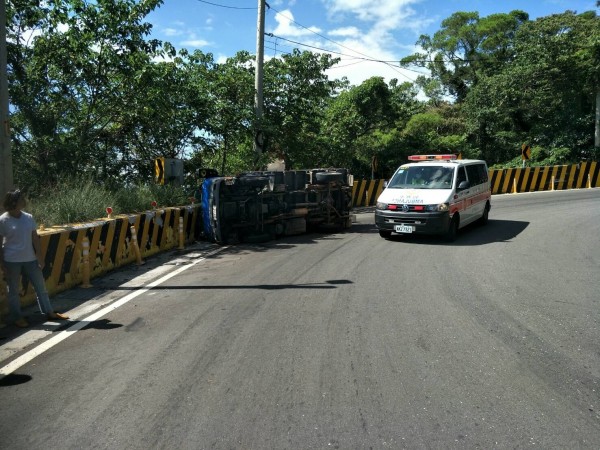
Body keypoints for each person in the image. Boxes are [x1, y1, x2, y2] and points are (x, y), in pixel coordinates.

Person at [0, 189, 69, 328]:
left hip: (30, 258)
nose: (24, 201)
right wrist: (2, 264)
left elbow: (35, 239)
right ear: (14, 202)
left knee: (41, 287)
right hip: (11, 260)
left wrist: (40, 257)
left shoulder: (28, 217)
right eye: (21, 199)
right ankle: (17, 316)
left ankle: (49, 312)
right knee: (13, 290)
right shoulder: (3, 220)